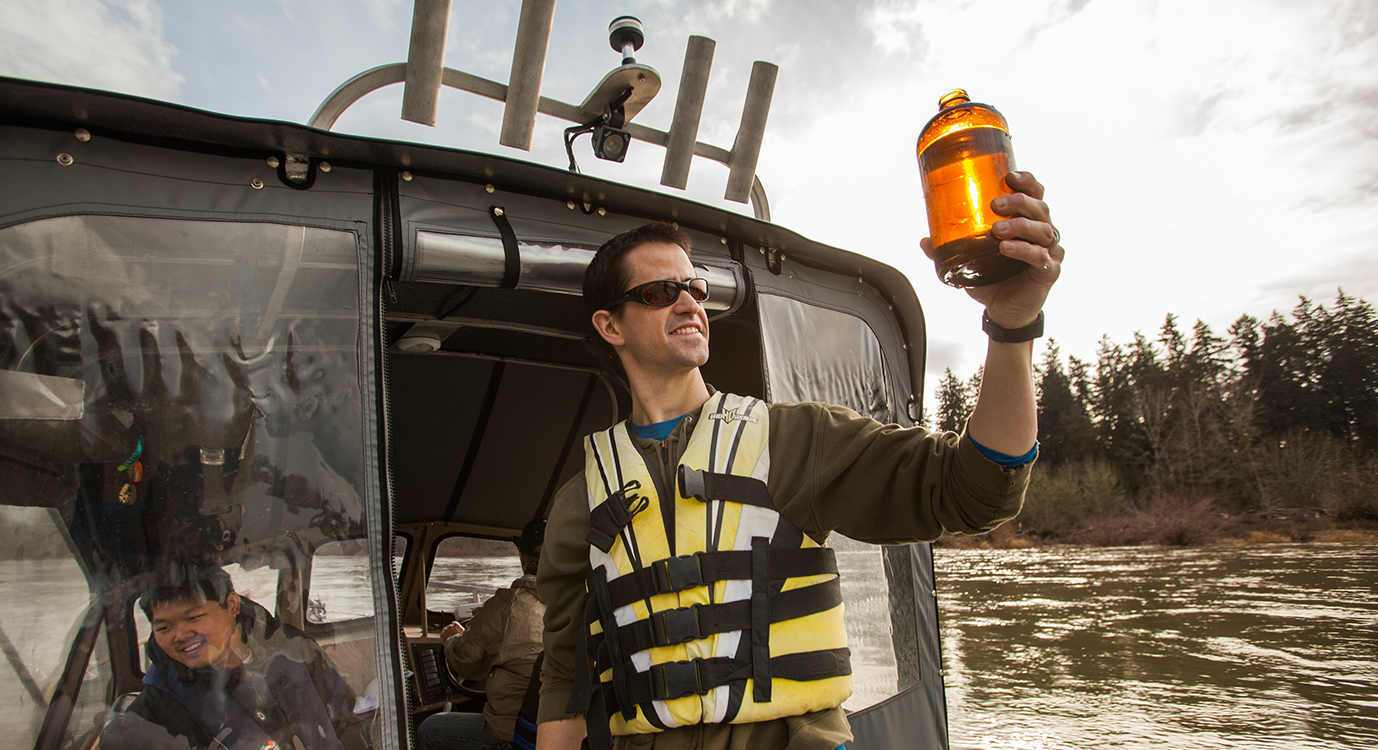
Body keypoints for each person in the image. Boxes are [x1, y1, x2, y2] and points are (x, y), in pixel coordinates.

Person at [533, 172, 1063, 750]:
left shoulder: (797, 440)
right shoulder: (580, 499)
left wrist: (1012, 327)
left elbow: (977, 490)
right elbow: (566, 683)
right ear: (610, 325)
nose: (689, 303)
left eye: (696, 288)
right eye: (661, 293)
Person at [102, 561, 369, 750]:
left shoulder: (295, 653)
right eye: (164, 627)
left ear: (231, 605)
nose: (180, 635)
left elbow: (345, 722)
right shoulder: (152, 714)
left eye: (193, 617)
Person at [418, 520, 549, 750]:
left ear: (521, 556)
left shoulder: (507, 606)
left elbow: (467, 662)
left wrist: (450, 640)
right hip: (561, 734)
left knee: (428, 729)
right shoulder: (577, 602)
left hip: (511, 734)